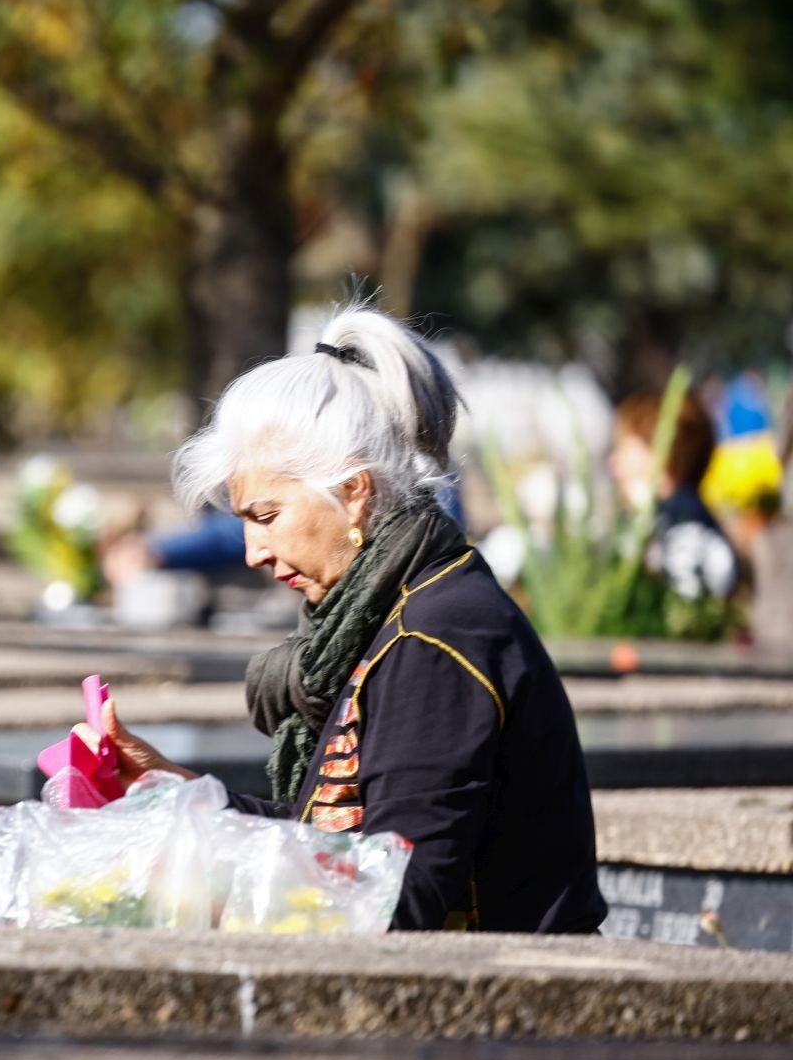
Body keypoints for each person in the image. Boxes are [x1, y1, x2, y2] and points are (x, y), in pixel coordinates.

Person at [80, 306, 607, 933]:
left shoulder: (434, 634)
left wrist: (208, 862)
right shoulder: (393, 610)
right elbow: (337, 840)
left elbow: (395, 897)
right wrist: (179, 791)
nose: (252, 551)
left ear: (354, 491)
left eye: (266, 516)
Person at [607, 389, 739, 601]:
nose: (613, 464)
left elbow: (683, 609)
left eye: (623, 448)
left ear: (663, 451)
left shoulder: (683, 525)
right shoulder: (670, 518)